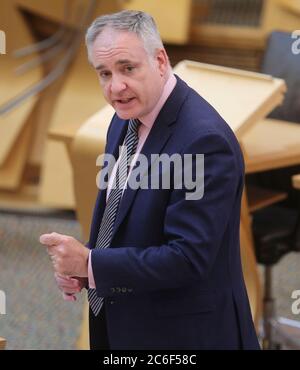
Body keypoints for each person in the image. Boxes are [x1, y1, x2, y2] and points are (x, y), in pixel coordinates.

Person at [40, 10, 260, 350]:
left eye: (128, 68)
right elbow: (122, 222)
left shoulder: (203, 141)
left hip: (185, 337)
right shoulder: (124, 117)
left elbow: (187, 258)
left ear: (160, 60)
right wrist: (86, 269)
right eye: (104, 73)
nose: (116, 86)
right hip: (127, 321)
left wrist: (91, 262)